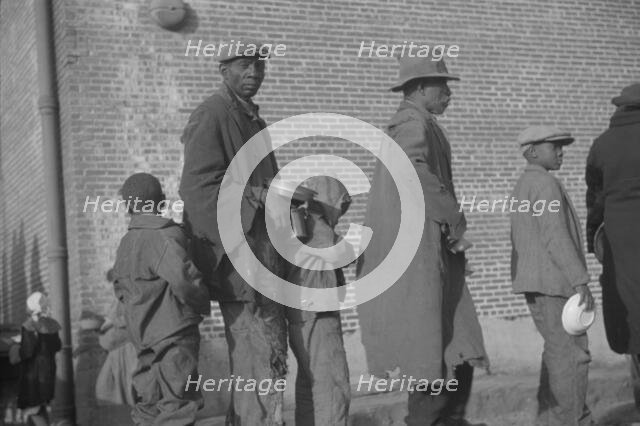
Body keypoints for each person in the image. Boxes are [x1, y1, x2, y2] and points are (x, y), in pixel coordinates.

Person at [356, 53, 488, 426]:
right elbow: (414, 173)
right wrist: (455, 222)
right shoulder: (413, 123)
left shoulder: (418, 122)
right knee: (431, 357)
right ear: (418, 89)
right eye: (441, 86)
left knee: (452, 352)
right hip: (419, 260)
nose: (449, 93)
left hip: (429, 255)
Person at [179, 40, 289, 425]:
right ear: (223, 69)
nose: (254, 73)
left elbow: (267, 184)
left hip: (267, 260)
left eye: (260, 66)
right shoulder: (211, 115)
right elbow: (197, 191)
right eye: (244, 65)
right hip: (240, 265)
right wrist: (256, 197)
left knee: (268, 362)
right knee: (254, 361)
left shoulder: (255, 121)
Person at [510, 125, 595, 426]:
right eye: (554, 146)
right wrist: (579, 279)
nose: (561, 151)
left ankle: (550, 420)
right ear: (532, 151)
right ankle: (574, 421)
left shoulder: (525, 183)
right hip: (554, 283)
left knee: (556, 354)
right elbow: (555, 235)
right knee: (572, 356)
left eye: (563, 146)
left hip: (538, 283)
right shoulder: (545, 184)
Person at [112, 172, 210, 426]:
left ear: (128, 206)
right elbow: (185, 280)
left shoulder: (126, 243)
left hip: (142, 338)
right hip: (173, 333)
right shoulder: (162, 237)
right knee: (178, 404)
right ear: (162, 201)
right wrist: (201, 305)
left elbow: (120, 290)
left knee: (149, 403)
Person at [586, 83, 640, 411]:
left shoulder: (602, 145)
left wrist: (596, 237)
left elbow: (595, 199)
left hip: (622, 248)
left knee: (635, 330)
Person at [285, 176, 352, 426]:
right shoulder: (317, 225)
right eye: (340, 205)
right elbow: (346, 253)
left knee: (310, 387)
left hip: (300, 319)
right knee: (333, 388)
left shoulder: (298, 225)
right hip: (319, 320)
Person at [11, 291, 61, 426]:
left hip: (34, 374)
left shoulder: (29, 325)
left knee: (33, 409)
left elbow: (27, 351)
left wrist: (17, 345)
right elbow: (57, 345)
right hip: (48, 371)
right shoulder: (51, 324)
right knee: (41, 407)